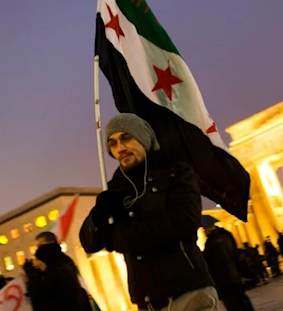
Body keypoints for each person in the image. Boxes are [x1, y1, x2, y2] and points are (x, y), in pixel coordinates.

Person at [79, 113, 218, 311]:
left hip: (188, 293)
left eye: (126, 138)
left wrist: (119, 237)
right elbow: (89, 243)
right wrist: (97, 216)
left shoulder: (176, 172)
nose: (120, 148)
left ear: (143, 138)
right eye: (113, 143)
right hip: (147, 302)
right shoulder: (116, 188)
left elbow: (184, 222)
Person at [24, 243, 92, 311]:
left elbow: (41, 298)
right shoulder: (63, 270)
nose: (36, 264)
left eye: (38, 260)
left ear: (45, 260)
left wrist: (32, 279)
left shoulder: (55, 276)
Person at [203, 224, 254, 311]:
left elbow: (210, 262)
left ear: (208, 229)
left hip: (223, 277)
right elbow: (236, 254)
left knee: (231, 302)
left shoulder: (211, 242)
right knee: (241, 298)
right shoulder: (226, 236)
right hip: (234, 273)